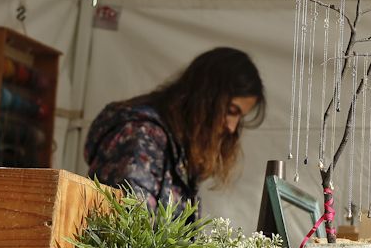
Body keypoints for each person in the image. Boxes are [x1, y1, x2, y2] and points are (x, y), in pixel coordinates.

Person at [85, 47, 265, 213]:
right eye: (231, 111)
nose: (232, 128)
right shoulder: (142, 136)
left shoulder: (177, 147)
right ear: (206, 98)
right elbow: (127, 232)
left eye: (239, 118)